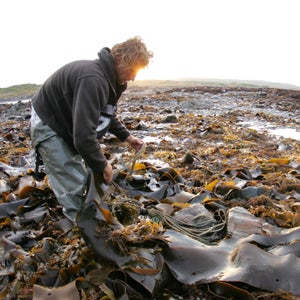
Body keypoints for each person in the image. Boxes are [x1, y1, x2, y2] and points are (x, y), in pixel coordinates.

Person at [30, 36, 153, 222]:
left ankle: (89, 217)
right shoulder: (93, 79)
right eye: (132, 70)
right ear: (119, 58)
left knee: (88, 175)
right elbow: (83, 137)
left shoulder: (112, 82)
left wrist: (127, 137)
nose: (134, 77)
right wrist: (102, 164)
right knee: (74, 183)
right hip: (49, 123)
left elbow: (105, 114)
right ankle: (80, 231)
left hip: (68, 124)